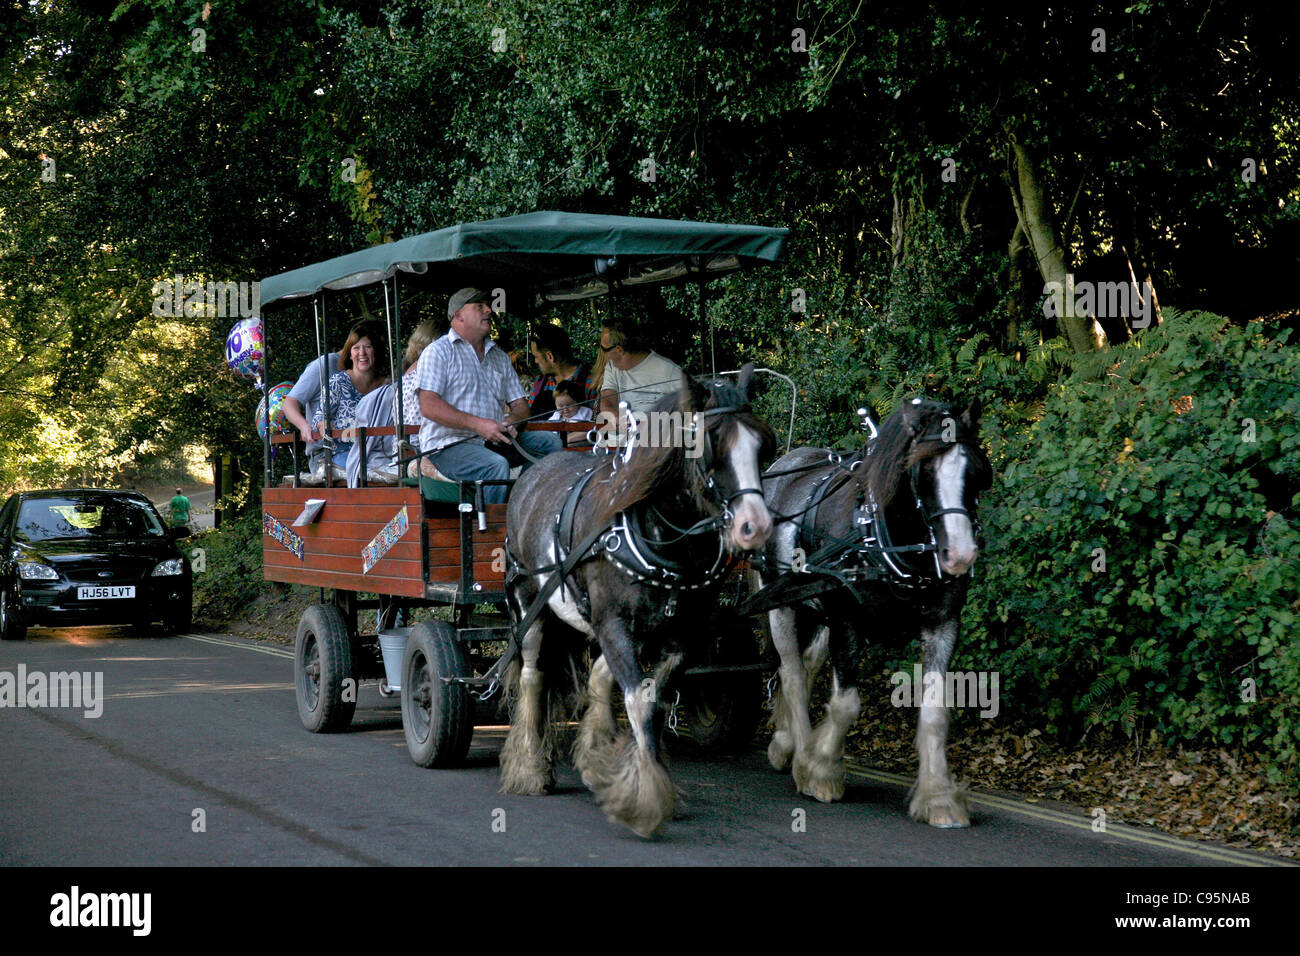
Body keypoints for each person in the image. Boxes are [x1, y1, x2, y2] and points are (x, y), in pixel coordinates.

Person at [415, 287, 562, 504]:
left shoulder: (500, 357)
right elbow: (428, 405)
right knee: (494, 465)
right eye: (479, 306)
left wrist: (513, 420)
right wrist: (478, 425)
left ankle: (521, 504)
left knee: (551, 443)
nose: (489, 310)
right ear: (458, 315)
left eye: (488, 305)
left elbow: (521, 405)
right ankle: (491, 533)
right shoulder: (438, 351)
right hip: (448, 446)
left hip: (494, 440)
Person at [311, 321, 390, 471]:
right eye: (356, 348)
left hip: (381, 453)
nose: (362, 353)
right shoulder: (338, 382)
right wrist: (324, 424)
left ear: (376, 351)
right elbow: (318, 419)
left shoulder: (387, 386)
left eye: (368, 347)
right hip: (346, 453)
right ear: (350, 354)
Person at [597, 316, 684, 421]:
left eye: (603, 348)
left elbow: (690, 408)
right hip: (624, 434)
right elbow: (608, 401)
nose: (602, 353)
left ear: (619, 350)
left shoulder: (670, 371)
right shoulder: (612, 367)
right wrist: (618, 419)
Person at [282, 349, 341, 483]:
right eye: (358, 348)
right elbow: (289, 403)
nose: (362, 353)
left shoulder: (368, 373)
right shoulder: (325, 365)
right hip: (325, 454)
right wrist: (304, 425)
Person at [527, 323, 596, 418]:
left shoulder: (592, 381)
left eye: (536, 356)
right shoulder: (540, 384)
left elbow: (599, 423)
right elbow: (529, 420)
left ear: (550, 356)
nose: (535, 361)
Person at [547, 379, 595, 448]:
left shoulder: (585, 412)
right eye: (560, 406)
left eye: (569, 405)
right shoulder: (556, 416)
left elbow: (593, 429)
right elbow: (549, 432)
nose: (565, 409)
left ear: (577, 402)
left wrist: (567, 438)